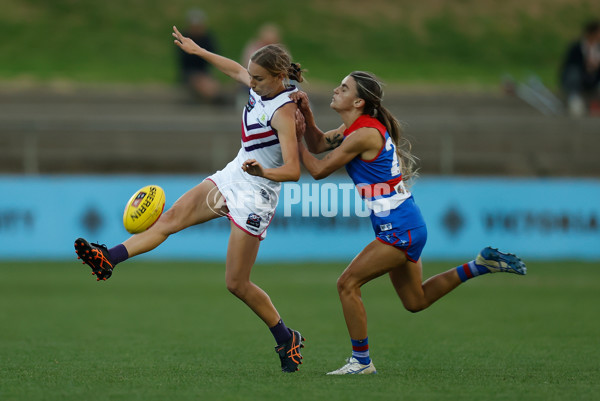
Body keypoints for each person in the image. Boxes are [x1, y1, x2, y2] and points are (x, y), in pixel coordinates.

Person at [74, 25, 306, 373]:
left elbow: (292, 170)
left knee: (236, 283)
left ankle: (286, 337)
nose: (251, 83)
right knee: (169, 220)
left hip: (257, 193)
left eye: (258, 79)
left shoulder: (285, 112)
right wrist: (198, 52)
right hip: (234, 175)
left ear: (277, 76)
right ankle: (109, 258)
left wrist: (262, 173)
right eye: (252, 77)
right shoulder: (260, 86)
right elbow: (234, 69)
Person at [291, 71, 527, 375]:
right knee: (416, 301)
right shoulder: (355, 129)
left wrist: (293, 136)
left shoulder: (363, 134)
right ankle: (479, 265)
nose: (336, 89)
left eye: (344, 87)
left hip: (399, 228)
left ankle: (361, 362)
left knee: (347, 284)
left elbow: (318, 169)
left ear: (359, 101)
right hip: (407, 223)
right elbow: (321, 143)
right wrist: (306, 117)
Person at [176, 9, 223, 103]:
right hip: (190, 72)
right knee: (202, 83)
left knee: (210, 83)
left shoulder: (207, 38)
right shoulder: (184, 39)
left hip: (204, 72)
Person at [559, 20, 600, 116]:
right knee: (573, 72)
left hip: (595, 79)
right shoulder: (577, 47)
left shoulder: (598, 48)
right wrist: (587, 64)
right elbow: (569, 65)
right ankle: (574, 98)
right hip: (579, 78)